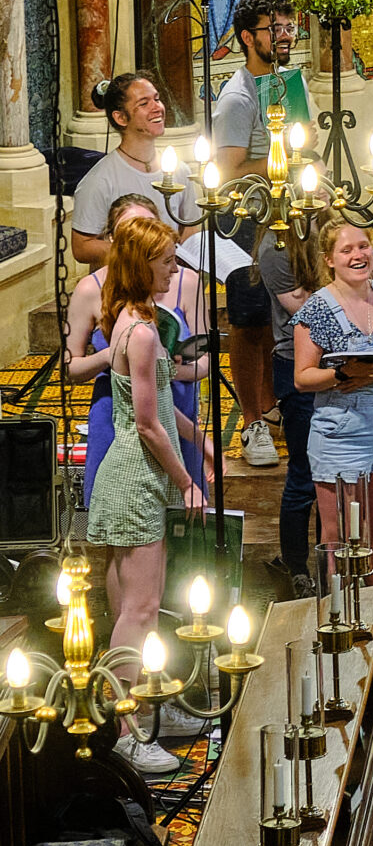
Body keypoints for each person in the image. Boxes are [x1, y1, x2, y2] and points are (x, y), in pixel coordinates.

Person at [91, 214, 208, 775]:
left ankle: (153, 705)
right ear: (143, 266)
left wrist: (203, 444)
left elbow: (164, 409)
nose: (174, 269)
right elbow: (144, 424)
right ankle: (127, 732)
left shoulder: (137, 320)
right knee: (137, 611)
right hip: (136, 479)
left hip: (131, 476)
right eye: (166, 262)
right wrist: (187, 480)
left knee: (133, 611)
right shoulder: (138, 332)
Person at [292, 219, 373, 611]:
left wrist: (372, 372)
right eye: (347, 250)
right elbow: (302, 377)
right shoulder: (317, 309)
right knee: (342, 536)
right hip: (340, 432)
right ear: (329, 259)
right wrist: (344, 374)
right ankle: (342, 619)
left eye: (363, 247)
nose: (358, 255)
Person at [66, 196, 206, 515]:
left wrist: (168, 370)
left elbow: (203, 359)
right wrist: (116, 358)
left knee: (181, 525)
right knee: (128, 511)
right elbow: (70, 368)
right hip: (118, 412)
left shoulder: (185, 281)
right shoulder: (92, 291)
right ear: (116, 241)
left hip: (176, 408)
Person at [212, 0, 303, 468]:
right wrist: (281, 164)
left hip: (284, 217)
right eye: (274, 28)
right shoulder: (237, 97)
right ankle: (250, 422)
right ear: (248, 38)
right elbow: (226, 170)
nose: (285, 35)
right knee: (248, 324)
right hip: (244, 224)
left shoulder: (287, 83)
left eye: (289, 26)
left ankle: (272, 408)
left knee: (277, 319)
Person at [72, 73, 197, 265]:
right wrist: (139, 255)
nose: (158, 108)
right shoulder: (99, 180)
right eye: (144, 103)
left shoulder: (180, 170)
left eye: (157, 99)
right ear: (121, 118)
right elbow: (82, 247)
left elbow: (190, 227)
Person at [258, 228, 318, 595]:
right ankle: (294, 564)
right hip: (296, 363)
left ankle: (338, 562)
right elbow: (308, 310)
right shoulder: (275, 246)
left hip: (341, 364)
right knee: (305, 471)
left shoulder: (329, 229)